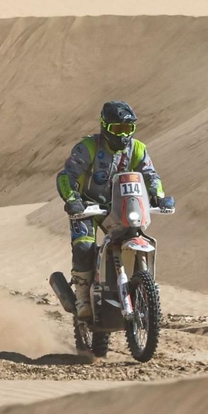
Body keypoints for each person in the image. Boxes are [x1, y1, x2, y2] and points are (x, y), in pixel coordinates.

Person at [56, 101, 175, 320]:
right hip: (88, 206)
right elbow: (67, 175)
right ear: (104, 126)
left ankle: (138, 286)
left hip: (120, 205)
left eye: (128, 129)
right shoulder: (89, 147)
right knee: (84, 245)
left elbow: (151, 176)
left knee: (134, 234)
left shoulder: (138, 149)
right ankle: (82, 297)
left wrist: (158, 196)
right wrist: (72, 198)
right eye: (117, 129)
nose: (123, 135)